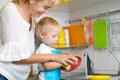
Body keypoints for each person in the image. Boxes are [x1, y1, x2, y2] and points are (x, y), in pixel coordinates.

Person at [0, 0, 76, 80]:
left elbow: (33, 49)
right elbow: (15, 58)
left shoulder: (32, 19)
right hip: (3, 75)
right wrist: (55, 57)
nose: (46, 12)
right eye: (45, 7)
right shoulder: (10, 12)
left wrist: (62, 58)